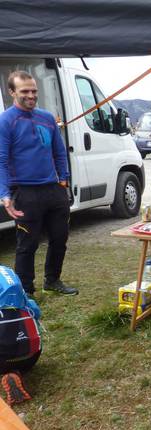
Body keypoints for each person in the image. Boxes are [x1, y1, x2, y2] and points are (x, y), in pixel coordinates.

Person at [0, 70, 77, 296]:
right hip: (24, 191)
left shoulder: (47, 118)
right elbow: (1, 160)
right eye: (25, 91)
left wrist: (63, 180)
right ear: (12, 92)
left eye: (34, 90)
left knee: (60, 237)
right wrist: (5, 194)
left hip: (53, 188)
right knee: (28, 243)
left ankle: (52, 280)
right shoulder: (6, 121)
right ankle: (25, 291)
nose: (31, 95)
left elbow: (59, 152)